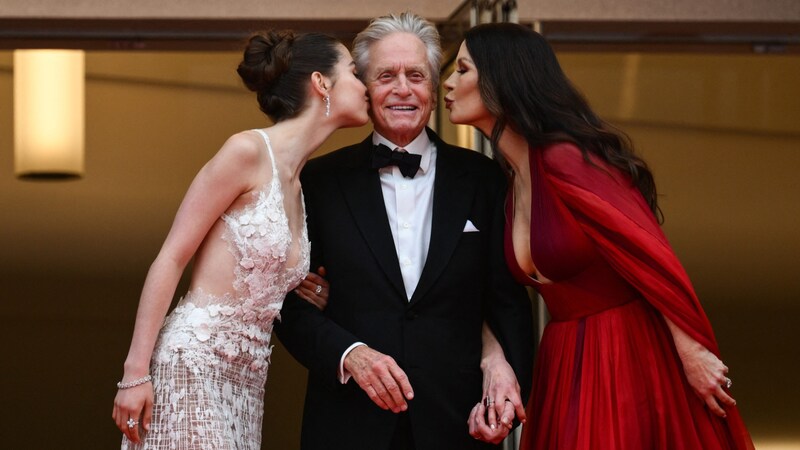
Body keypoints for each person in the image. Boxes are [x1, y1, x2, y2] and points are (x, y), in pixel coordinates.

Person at [443, 22, 755, 450]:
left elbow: (652, 258)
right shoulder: (512, 183)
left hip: (629, 355)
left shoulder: (566, 158)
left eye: (462, 70)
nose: (449, 82)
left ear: (502, 79)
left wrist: (692, 353)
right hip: (565, 358)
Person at [276, 12, 535, 450]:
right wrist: (349, 354)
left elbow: (507, 302)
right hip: (347, 424)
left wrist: (509, 389)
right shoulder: (317, 181)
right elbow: (285, 303)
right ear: (364, 86)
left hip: (458, 424)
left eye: (416, 75)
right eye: (386, 76)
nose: (402, 89)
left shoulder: (485, 179)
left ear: (433, 90)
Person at [111, 29, 369, 449]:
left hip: (247, 383)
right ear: (322, 82)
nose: (366, 87)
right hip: (194, 362)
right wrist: (135, 372)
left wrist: (301, 291)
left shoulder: (300, 187)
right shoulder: (246, 151)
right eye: (355, 74)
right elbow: (172, 257)